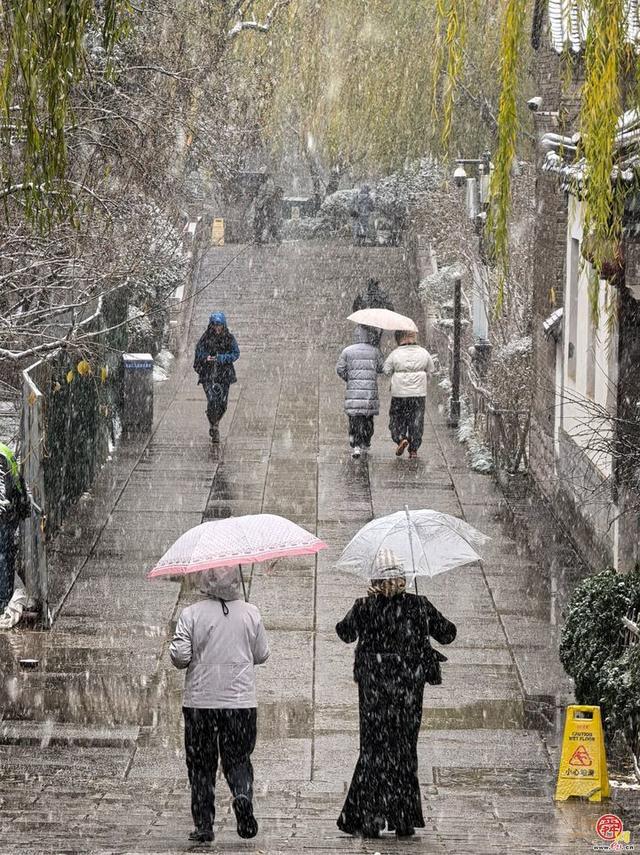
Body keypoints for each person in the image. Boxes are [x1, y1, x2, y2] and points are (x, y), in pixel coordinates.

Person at [335, 549, 456, 839]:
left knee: (373, 752)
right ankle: (403, 818)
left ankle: (370, 818)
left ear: (375, 580)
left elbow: (344, 633)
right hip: (408, 694)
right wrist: (424, 616)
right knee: (403, 751)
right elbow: (449, 633)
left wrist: (367, 604)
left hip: (374, 694)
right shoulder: (418, 606)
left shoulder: (365, 606)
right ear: (404, 579)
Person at [170, 566, 270, 844]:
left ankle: (204, 824)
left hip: (201, 702)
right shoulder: (250, 612)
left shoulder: (191, 614)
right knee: (237, 757)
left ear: (205, 581)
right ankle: (241, 794)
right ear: (237, 581)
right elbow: (262, 654)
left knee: (201, 764)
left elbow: (179, 657)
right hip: (240, 703)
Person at [383, 330, 435, 459]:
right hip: (418, 394)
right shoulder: (424, 353)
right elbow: (431, 370)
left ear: (400, 339)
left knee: (397, 419)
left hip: (399, 393)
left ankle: (401, 438)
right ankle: (414, 449)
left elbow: (386, 370)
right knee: (416, 420)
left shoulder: (395, 354)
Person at [336, 325, 384, 460]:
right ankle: (366, 440)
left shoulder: (347, 351)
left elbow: (340, 369)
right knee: (367, 417)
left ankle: (355, 443)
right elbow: (381, 368)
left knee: (355, 417)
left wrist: (349, 378)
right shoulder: (375, 351)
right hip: (370, 393)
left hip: (354, 391)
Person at [193, 312, 239, 442]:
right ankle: (214, 426)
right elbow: (199, 352)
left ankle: (214, 420)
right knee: (212, 400)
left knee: (223, 403)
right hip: (208, 374)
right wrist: (206, 358)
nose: (217, 328)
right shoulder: (205, 338)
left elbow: (235, 353)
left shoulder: (229, 338)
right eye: (215, 325)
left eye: (219, 325)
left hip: (224, 375)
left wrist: (222, 358)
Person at [0, 442, 32, 614]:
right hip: (12, 510)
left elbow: (2, 492)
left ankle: (2, 602)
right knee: (6, 556)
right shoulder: (4, 451)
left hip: (6, 514)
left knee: (3, 556)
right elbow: (19, 484)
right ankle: (4, 599)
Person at [352, 279, 394, 347]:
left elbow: (355, 308)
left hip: (365, 327)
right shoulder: (382, 296)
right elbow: (391, 309)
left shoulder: (363, 295)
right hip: (377, 326)